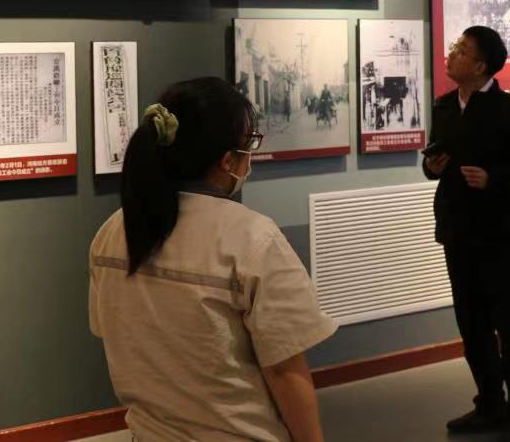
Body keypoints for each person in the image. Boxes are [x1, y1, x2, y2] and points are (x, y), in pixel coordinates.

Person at [89, 77, 337, 442]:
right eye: (248, 144)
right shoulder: (252, 238)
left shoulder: (113, 231)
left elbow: (110, 332)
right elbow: (284, 370)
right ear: (227, 161)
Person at [423, 26, 510, 434]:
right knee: (471, 324)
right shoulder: (445, 106)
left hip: (501, 235)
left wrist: (494, 179)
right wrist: (431, 167)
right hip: (458, 231)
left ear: (480, 66)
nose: (451, 54)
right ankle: (489, 402)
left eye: (461, 51)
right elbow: (434, 161)